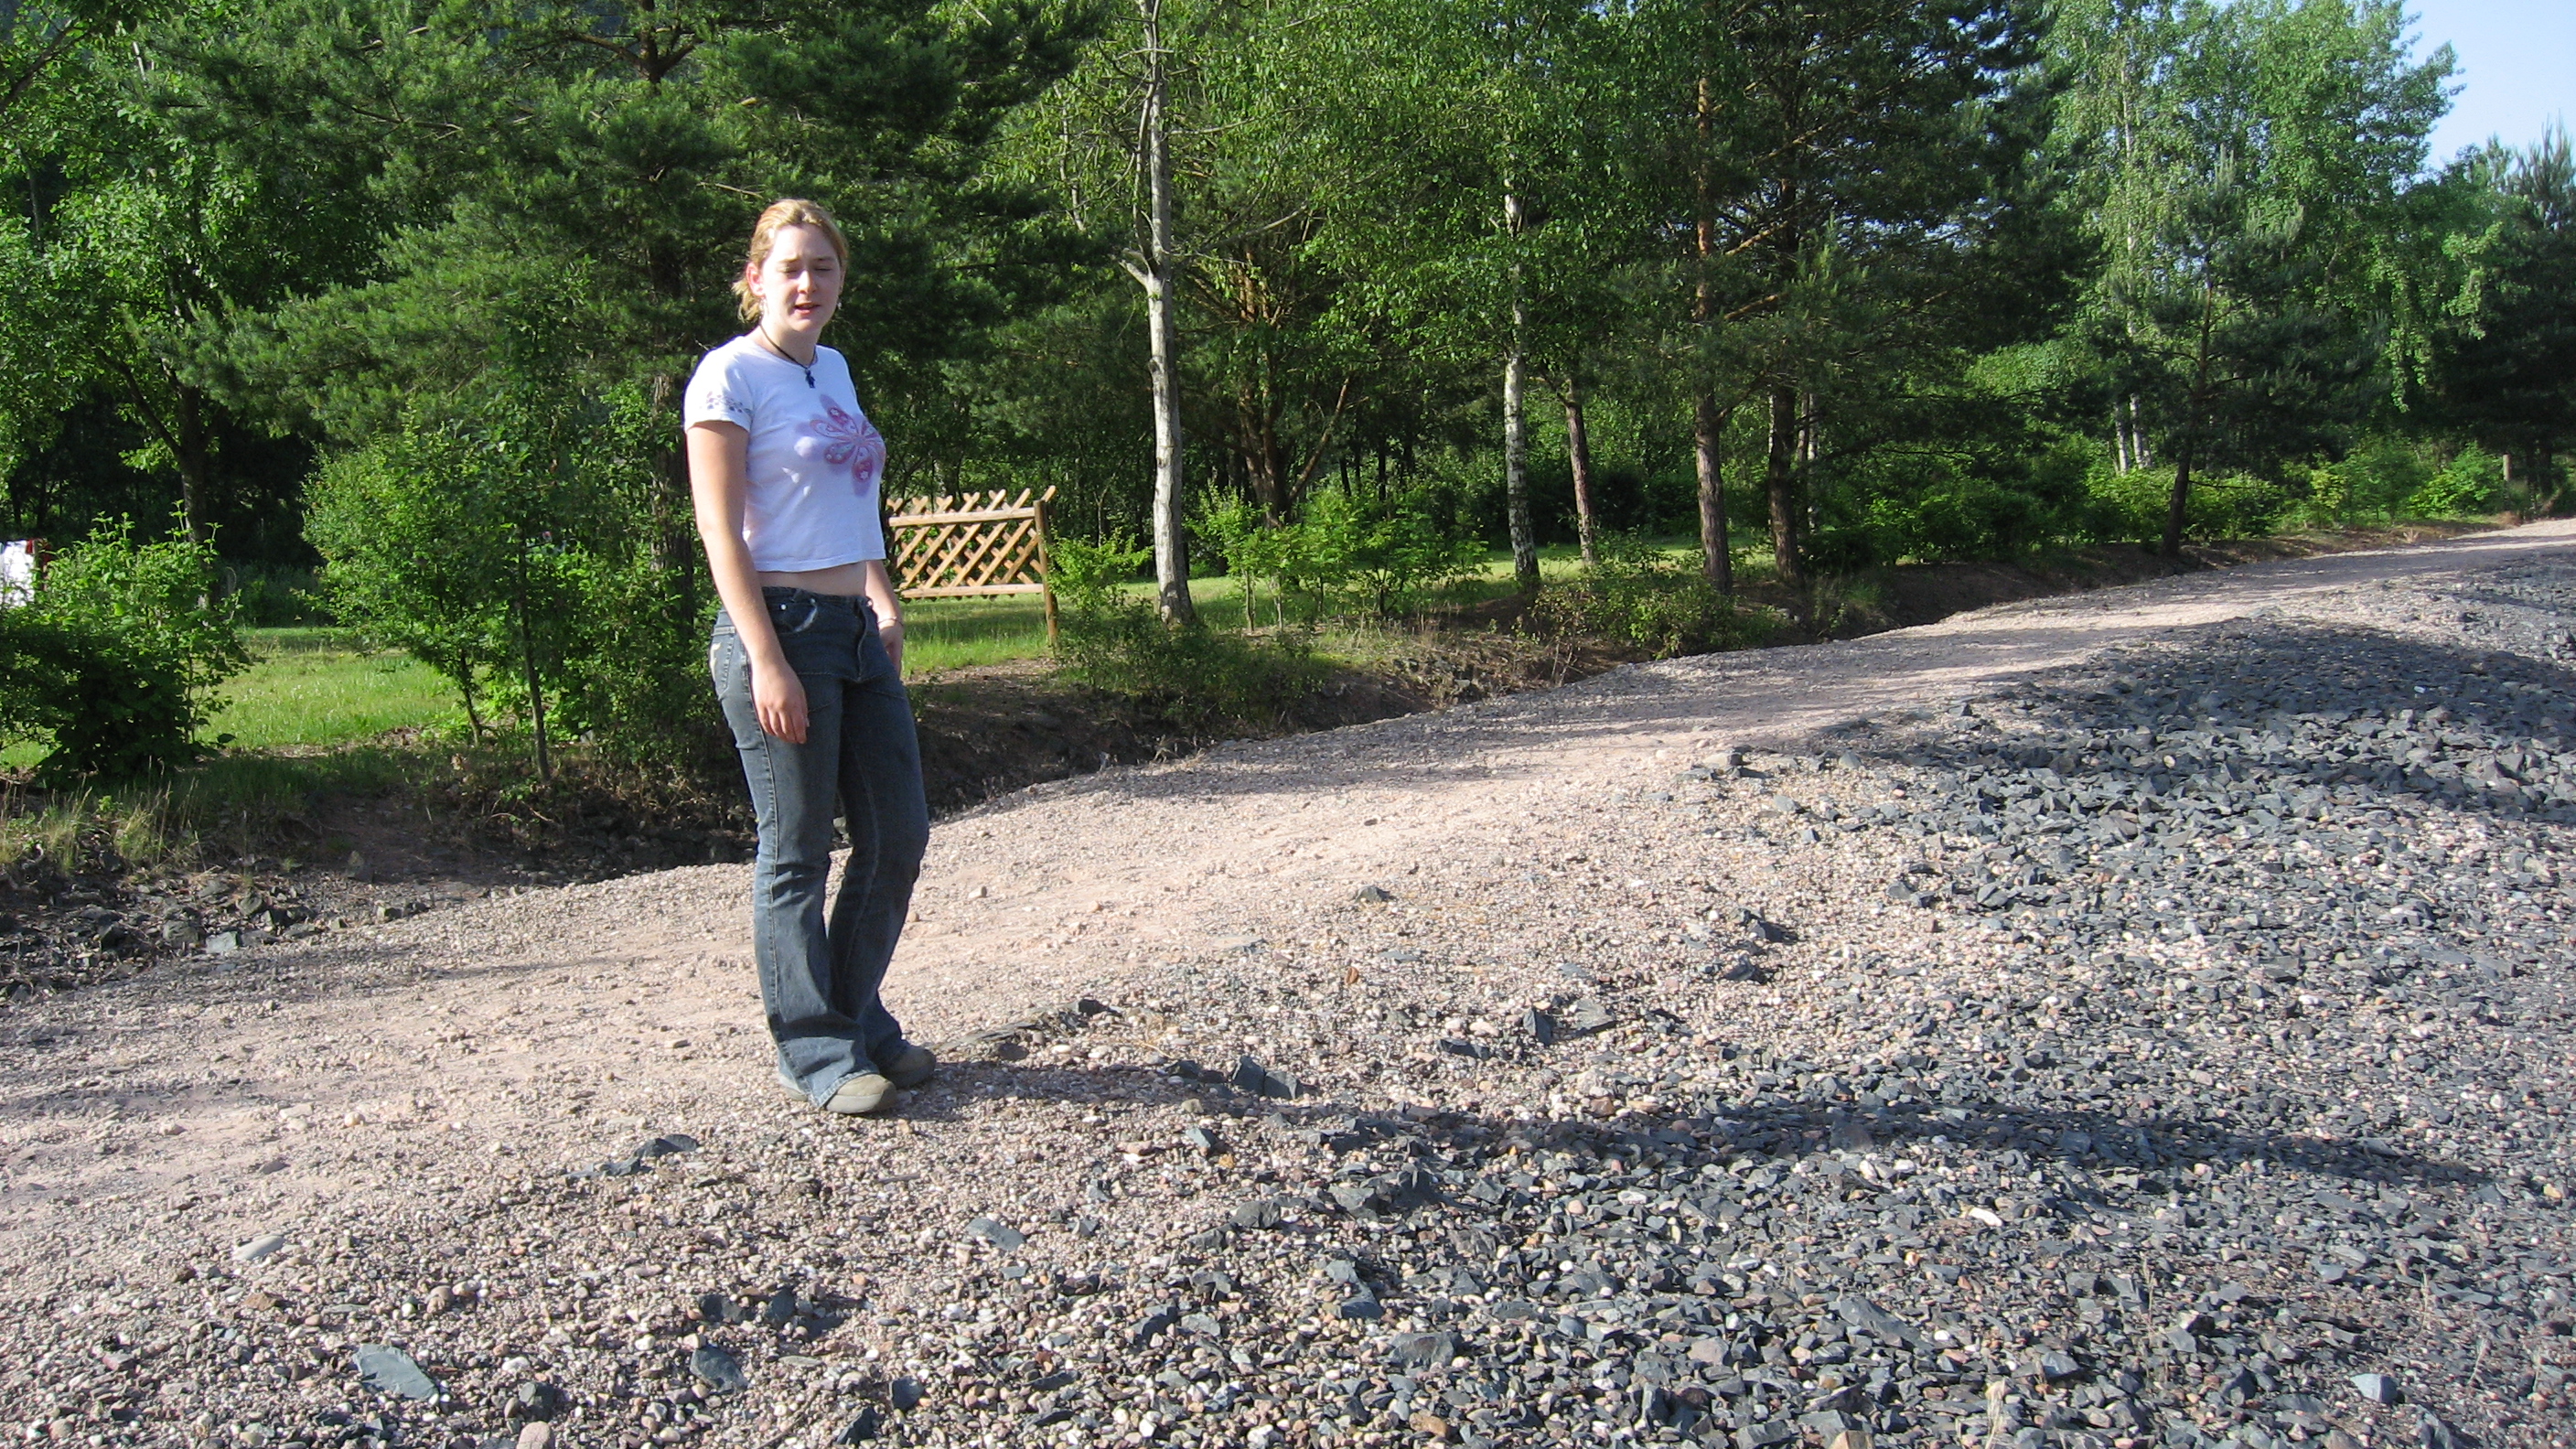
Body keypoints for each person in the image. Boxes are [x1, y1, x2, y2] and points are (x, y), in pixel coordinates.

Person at [685, 198, 933, 1116]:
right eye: (789, 268)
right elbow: (720, 531)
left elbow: (846, 500)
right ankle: (817, 1051)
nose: (806, 284)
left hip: (854, 628)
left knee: (898, 834)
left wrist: (881, 598)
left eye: (822, 268)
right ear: (754, 278)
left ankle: (855, 1016)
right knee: (796, 850)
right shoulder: (727, 376)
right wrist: (766, 659)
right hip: (778, 627)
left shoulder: (833, 368)